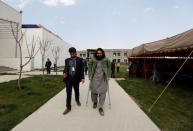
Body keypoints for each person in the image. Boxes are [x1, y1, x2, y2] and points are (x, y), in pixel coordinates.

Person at [88, 48, 111, 116]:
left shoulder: (106, 59)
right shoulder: (93, 59)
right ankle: (95, 102)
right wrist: (89, 75)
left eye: (100, 53)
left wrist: (108, 76)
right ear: (96, 54)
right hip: (94, 77)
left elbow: (109, 67)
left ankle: (100, 107)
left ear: (102, 53)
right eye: (98, 53)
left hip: (103, 77)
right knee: (93, 91)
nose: (99, 54)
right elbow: (89, 67)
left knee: (103, 92)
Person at [63, 47, 85, 115]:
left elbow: (82, 69)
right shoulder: (67, 60)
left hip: (76, 78)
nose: (72, 54)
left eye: (73, 53)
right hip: (69, 78)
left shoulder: (80, 60)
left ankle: (77, 100)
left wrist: (82, 78)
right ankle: (68, 107)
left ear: (75, 53)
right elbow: (65, 68)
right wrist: (64, 73)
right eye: (70, 53)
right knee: (68, 92)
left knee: (76, 90)